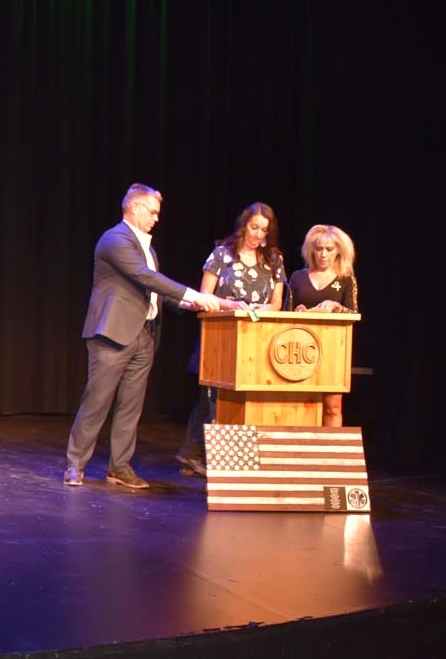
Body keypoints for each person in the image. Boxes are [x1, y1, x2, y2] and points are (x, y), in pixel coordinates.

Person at [64, 184, 227, 490]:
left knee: (131, 406)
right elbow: (145, 277)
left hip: (144, 334)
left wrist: (186, 302)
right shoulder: (115, 239)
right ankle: (75, 464)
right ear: (135, 207)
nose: (156, 218)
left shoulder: (148, 249)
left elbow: (153, 291)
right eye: (152, 212)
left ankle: (119, 468)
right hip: (112, 334)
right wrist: (194, 293)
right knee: (97, 401)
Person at [175, 202, 286, 475]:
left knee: (243, 398)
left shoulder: (273, 259)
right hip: (221, 334)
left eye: (263, 230)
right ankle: (198, 453)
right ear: (243, 225)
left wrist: (262, 309)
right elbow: (203, 298)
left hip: (256, 339)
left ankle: (216, 457)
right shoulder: (222, 255)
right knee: (211, 396)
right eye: (254, 227)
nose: (258, 234)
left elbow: (277, 303)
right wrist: (231, 306)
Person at [288, 224, 359, 427]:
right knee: (301, 405)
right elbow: (283, 315)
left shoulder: (346, 279)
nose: (323, 254)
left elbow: (353, 314)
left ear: (339, 251)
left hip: (333, 350)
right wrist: (297, 313)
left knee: (332, 406)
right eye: (319, 249)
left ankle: (331, 456)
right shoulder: (297, 277)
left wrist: (336, 307)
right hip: (300, 349)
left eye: (329, 249)